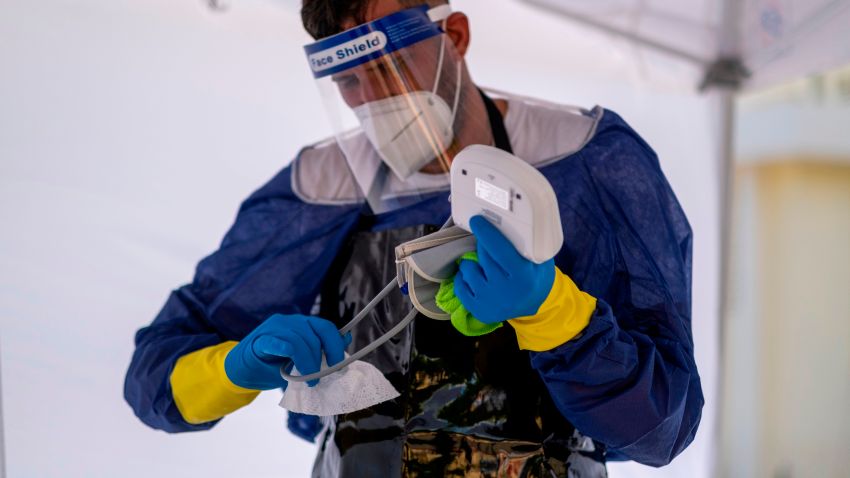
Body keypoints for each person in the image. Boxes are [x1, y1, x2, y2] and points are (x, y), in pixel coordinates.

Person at [124, 0, 704, 476]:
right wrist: (232, 367)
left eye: (389, 64)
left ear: (455, 34)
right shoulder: (320, 189)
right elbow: (155, 380)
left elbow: (662, 427)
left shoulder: (584, 163)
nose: (375, 98)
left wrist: (553, 312)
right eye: (348, 78)